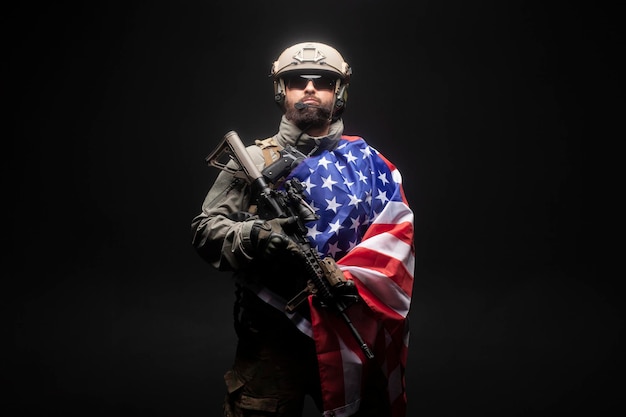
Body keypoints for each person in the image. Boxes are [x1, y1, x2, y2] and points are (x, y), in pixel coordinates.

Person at [191, 41, 415, 417]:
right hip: (272, 334)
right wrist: (255, 237)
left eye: (323, 81)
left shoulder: (371, 164)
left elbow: (394, 246)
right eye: (297, 80)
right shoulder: (254, 161)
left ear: (339, 91)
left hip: (348, 325)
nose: (310, 89)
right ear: (282, 90)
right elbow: (205, 230)